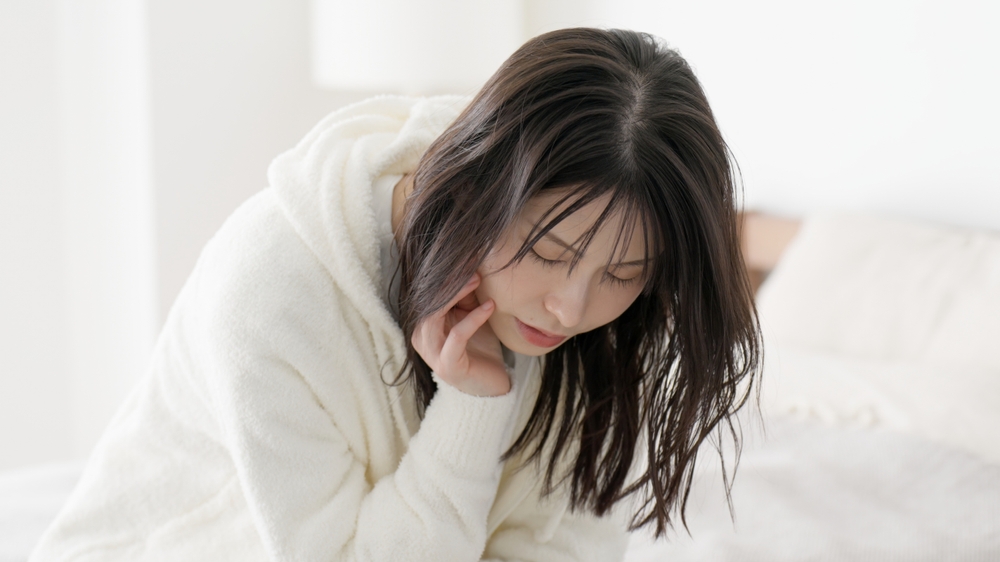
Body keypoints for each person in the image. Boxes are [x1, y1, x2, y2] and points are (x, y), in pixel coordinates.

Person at [31, 27, 760, 561]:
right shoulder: (269, 294)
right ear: (480, 187)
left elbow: (563, 540)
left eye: (624, 274)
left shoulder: (603, 318)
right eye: (548, 252)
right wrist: (474, 408)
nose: (571, 308)